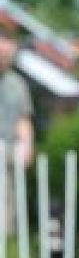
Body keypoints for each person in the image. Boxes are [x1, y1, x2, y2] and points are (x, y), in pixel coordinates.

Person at [0, 26, 34, 234]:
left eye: (7, 54)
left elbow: (24, 120)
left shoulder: (17, 83)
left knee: (6, 214)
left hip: (8, 159)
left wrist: (27, 147)